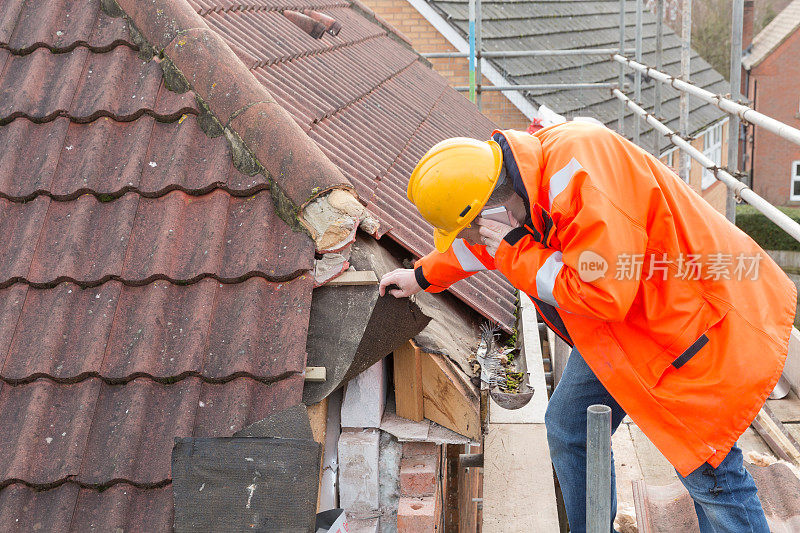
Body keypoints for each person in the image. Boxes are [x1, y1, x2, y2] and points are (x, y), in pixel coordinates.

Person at [378, 121, 797, 532]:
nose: (476, 238)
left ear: (494, 209)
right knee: (569, 425)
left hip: (695, 328)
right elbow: (490, 245)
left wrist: (515, 252)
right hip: (627, 331)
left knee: (710, 473)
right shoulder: (521, 177)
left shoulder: (581, 179)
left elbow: (603, 292)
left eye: (475, 227)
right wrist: (421, 276)